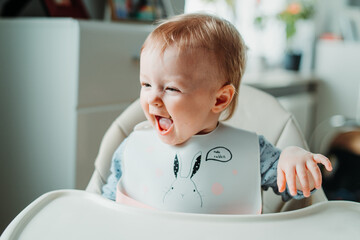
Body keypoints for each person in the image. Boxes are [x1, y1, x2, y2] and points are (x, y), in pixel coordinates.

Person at [102, 13, 332, 214]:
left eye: (171, 88)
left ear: (220, 99)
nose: (152, 98)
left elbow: (301, 192)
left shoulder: (255, 154)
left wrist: (294, 162)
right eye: (146, 84)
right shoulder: (132, 148)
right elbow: (107, 209)